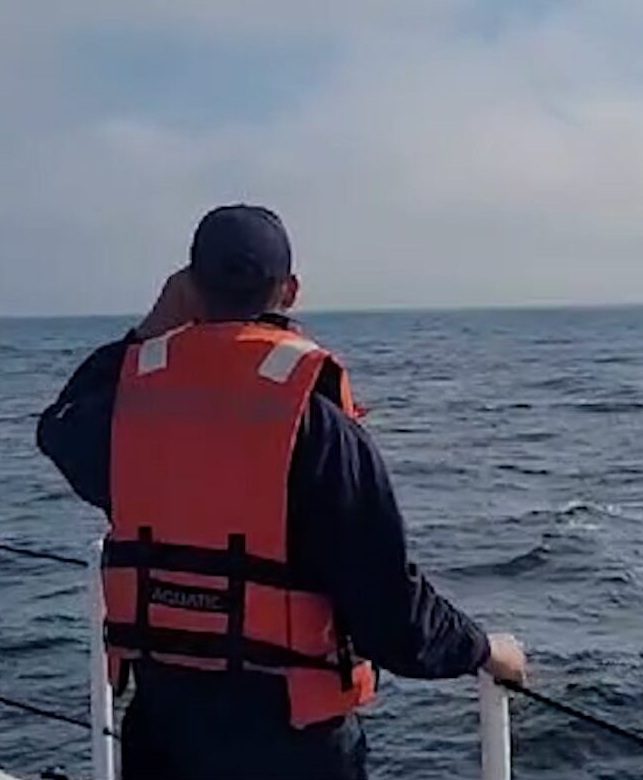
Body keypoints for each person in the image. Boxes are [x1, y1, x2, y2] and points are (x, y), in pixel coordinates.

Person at [38, 205, 526, 780]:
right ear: (289, 291)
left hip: (164, 740)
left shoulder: (129, 412)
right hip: (294, 749)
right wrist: (482, 649)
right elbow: (391, 618)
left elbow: (59, 421)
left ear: (188, 287)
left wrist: (149, 328)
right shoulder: (316, 424)